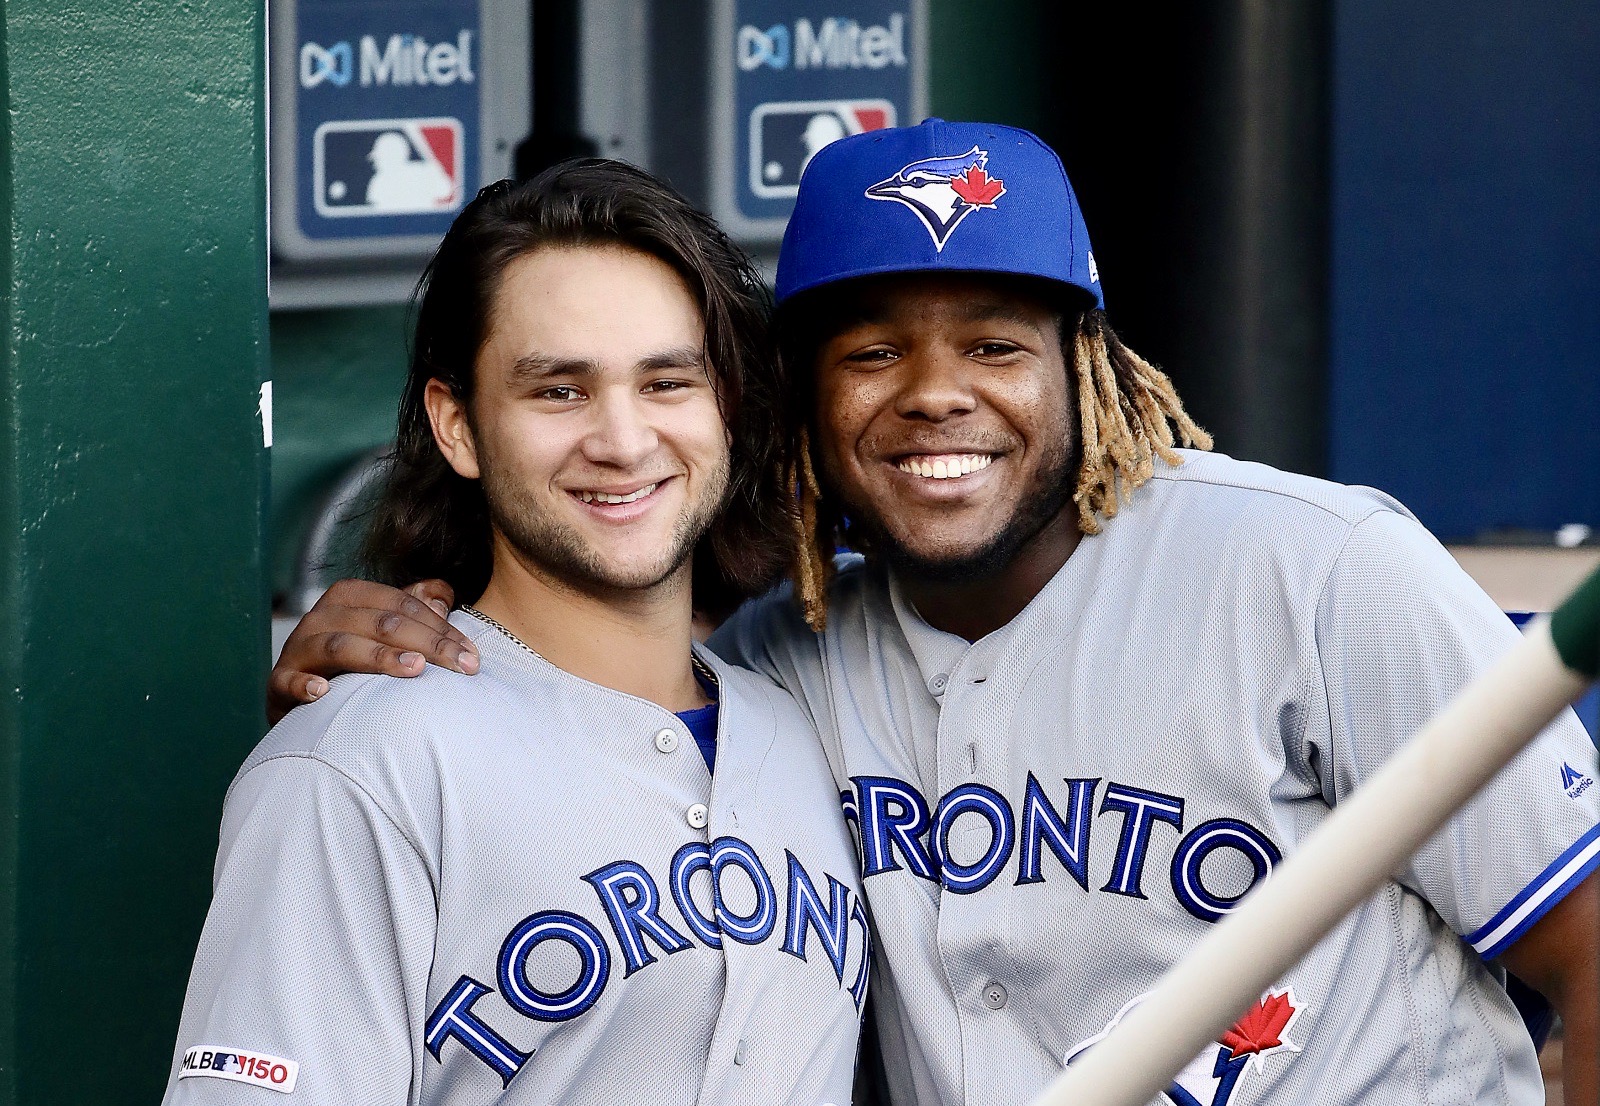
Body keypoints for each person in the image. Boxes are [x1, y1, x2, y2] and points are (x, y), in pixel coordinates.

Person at [272, 121, 1600, 1106]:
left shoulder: (1316, 574)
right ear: (796, 399)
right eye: (871, 352)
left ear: (1087, 366)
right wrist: (366, 651)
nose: (934, 393)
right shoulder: (775, 665)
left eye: (995, 344)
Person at [165, 162, 867, 1105]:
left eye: (667, 382)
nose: (623, 440)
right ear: (457, 425)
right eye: (559, 392)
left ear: (726, 410)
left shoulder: (812, 726)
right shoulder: (362, 768)